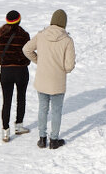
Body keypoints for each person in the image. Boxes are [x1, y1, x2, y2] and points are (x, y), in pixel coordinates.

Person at [23, 9, 76, 149]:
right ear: (64, 23)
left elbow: (26, 49)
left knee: (42, 109)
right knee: (56, 111)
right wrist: (62, 69)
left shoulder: (41, 35)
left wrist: (39, 61)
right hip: (57, 82)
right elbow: (69, 66)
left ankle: (42, 139)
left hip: (42, 80)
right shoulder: (67, 40)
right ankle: (53, 140)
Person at [0, 10, 31, 143]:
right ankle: (19, 125)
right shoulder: (24, 35)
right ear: (19, 20)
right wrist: (23, 62)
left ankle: (5, 132)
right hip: (21, 71)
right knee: (21, 98)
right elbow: (28, 52)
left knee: (6, 101)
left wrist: (5, 62)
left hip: (5, 71)